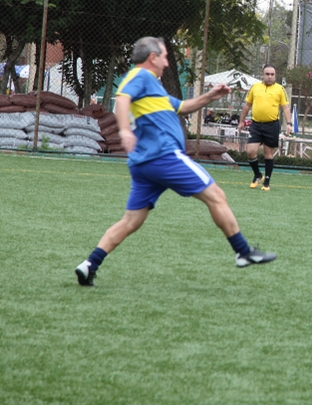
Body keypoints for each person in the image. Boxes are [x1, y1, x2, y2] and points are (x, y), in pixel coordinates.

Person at [74, 37, 276, 287]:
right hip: (164, 156)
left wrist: (210, 96)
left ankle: (90, 264)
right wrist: (124, 130)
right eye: (165, 57)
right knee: (216, 195)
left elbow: (182, 106)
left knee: (131, 221)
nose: (167, 63)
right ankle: (243, 251)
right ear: (152, 58)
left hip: (144, 164)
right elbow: (123, 98)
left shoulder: (153, 89)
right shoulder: (141, 76)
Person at [237, 64, 292, 191]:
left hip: (272, 125)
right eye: (267, 74)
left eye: (272, 74)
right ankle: (257, 175)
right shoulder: (255, 87)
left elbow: (285, 108)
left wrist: (289, 123)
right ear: (263, 75)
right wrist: (241, 121)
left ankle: (266, 182)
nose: (270, 77)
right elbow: (247, 105)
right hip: (256, 125)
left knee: (268, 154)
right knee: (250, 151)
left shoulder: (280, 89)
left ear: (275, 76)